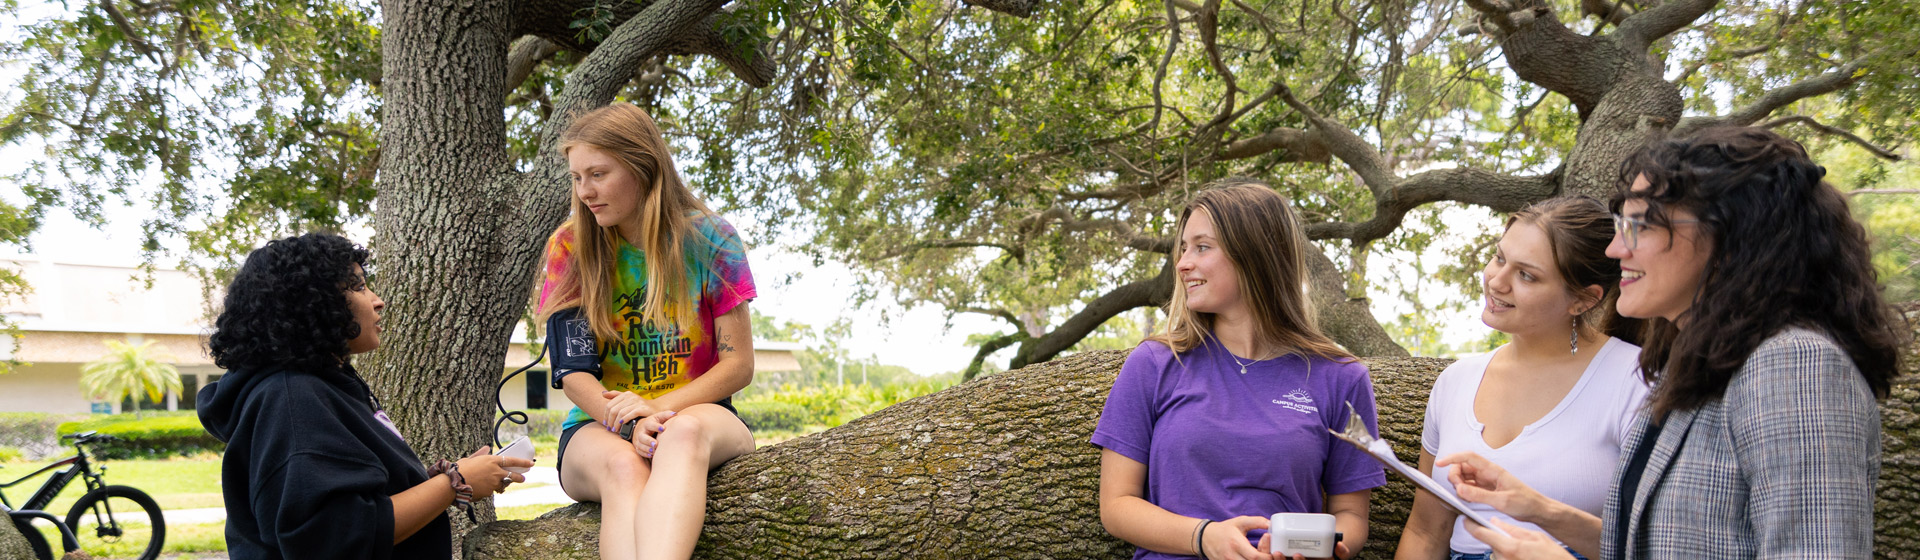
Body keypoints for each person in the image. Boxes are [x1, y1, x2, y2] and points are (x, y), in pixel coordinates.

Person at [1441, 126, 1901, 560]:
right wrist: (1541, 511)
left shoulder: (1795, 365)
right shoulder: (1691, 367)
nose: (1615, 249)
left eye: (1641, 226)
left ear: (1731, 239)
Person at [1092, 180, 1386, 560]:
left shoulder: (1341, 377)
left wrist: (1316, 549)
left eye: (1202, 247)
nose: (1182, 263)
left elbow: (1350, 514)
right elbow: (1116, 505)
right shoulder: (1155, 363)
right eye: (1183, 249)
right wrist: (1204, 537)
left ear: (1256, 254)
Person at [198, 233, 531, 559]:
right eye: (358, 287)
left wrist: (446, 479)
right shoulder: (292, 399)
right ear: (312, 302)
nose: (377, 300)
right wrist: (451, 485)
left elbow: (352, 495)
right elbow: (332, 536)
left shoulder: (326, 384)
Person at [535, 103, 758, 560]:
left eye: (598, 174)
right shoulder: (570, 246)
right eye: (577, 178)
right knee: (624, 466)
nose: (585, 192)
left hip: (699, 414)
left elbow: (738, 364)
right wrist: (631, 422)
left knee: (683, 434)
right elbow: (575, 374)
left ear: (643, 166)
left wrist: (656, 410)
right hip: (597, 427)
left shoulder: (712, 238)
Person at [1394, 196, 1647, 560]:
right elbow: (1425, 531)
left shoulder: (1634, 380)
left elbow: (1657, 541)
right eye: (1499, 258)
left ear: (1583, 300)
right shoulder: (1456, 381)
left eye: (1526, 275)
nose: (1496, 281)